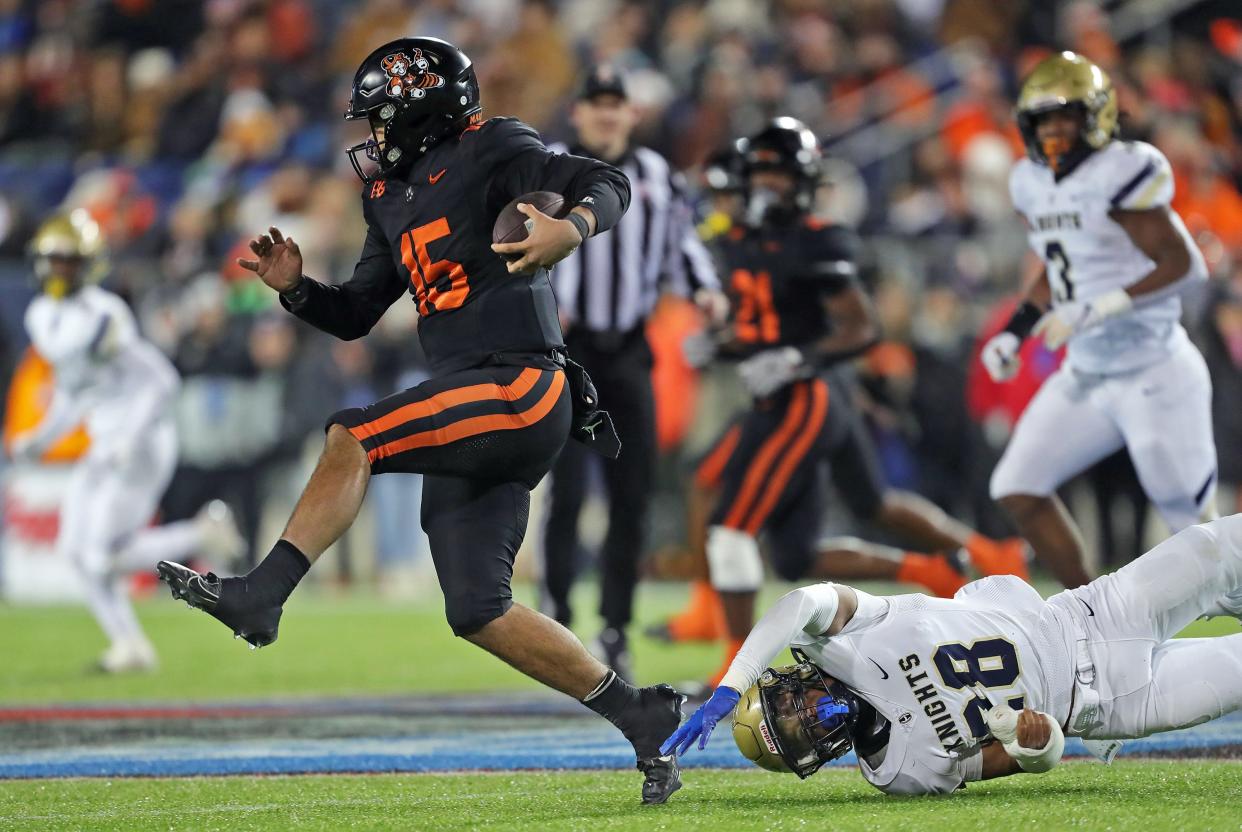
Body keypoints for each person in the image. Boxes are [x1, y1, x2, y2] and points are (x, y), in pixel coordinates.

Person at [154, 37, 684, 805]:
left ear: (422, 112)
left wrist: (571, 228)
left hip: (523, 382)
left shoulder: (493, 145)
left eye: (380, 118)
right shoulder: (388, 195)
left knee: (354, 432)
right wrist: (297, 290)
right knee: (477, 610)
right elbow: (358, 314)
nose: (371, 136)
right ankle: (642, 714)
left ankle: (262, 594)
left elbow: (606, 179)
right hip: (473, 400)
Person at [669, 118, 1027, 685]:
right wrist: (723, 342)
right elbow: (763, 321)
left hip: (805, 395)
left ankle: (733, 658)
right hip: (784, 395)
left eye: (772, 176)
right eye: (753, 177)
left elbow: (858, 327)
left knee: (732, 523)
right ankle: (946, 561)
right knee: (802, 549)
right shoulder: (740, 241)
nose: (760, 190)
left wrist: (792, 359)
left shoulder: (815, 237)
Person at [663, 513, 1242, 796]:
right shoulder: (899, 772)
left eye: (797, 707)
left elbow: (800, 601)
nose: (815, 719)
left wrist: (731, 685)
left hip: (1093, 612)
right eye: (802, 736)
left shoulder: (839, 641)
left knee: (1219, 548)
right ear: (812, 758)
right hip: (1110, 703)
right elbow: (1021, 759)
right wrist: (1036, 744)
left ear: (791, 678)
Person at [980, 52, 1214, 587]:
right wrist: (1015, 332)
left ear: (1097, 116)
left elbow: (1184, 264)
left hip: (1153, 369)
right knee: (1017, 486)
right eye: (1043, 119)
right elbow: (1059, 265)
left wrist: (1100, 306)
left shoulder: (1124, 169)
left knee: (1194, 532)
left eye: (1065, 116)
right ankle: (1088, 618)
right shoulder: (1030, 182)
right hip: (1087, 373)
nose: (1054, 130)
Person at [540, 65, 722, 679]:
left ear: (631, 113)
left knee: (630, 495)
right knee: (564, 492)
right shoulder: (550, 165)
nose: (607, 114)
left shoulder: (655, 176)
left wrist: (705, 291)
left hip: (629, 350)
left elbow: (684, 246)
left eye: (617, 104)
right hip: (564, 350)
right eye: (597, 104)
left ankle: (615, 624)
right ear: (579, 112)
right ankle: (558, 614)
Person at [7, 210, 243, 672]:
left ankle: (198, 534)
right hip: (104, 439)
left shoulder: (104, 316)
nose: (59, 270)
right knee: (78, 550)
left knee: (100, 555)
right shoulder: (42, 315)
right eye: (54, 260)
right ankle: (130, 646)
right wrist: (40, 438)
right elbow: (74, 395)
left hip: (142, 440)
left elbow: (161, 382)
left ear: (88, 263)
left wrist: (129, 440)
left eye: (68, 261)